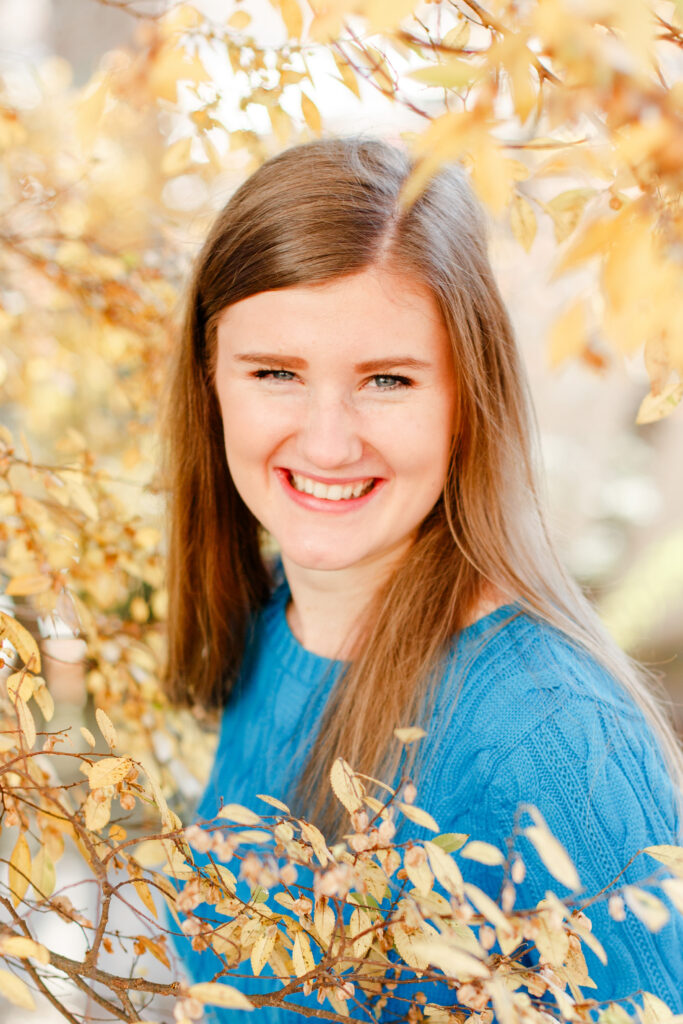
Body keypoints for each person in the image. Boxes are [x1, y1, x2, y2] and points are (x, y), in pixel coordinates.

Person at [163, 137, 683, 1019]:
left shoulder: (545, 741)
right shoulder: (266, 628)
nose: (328, 442)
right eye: (276, 373)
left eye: (388, 380)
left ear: (465, 401)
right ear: (211, 380)